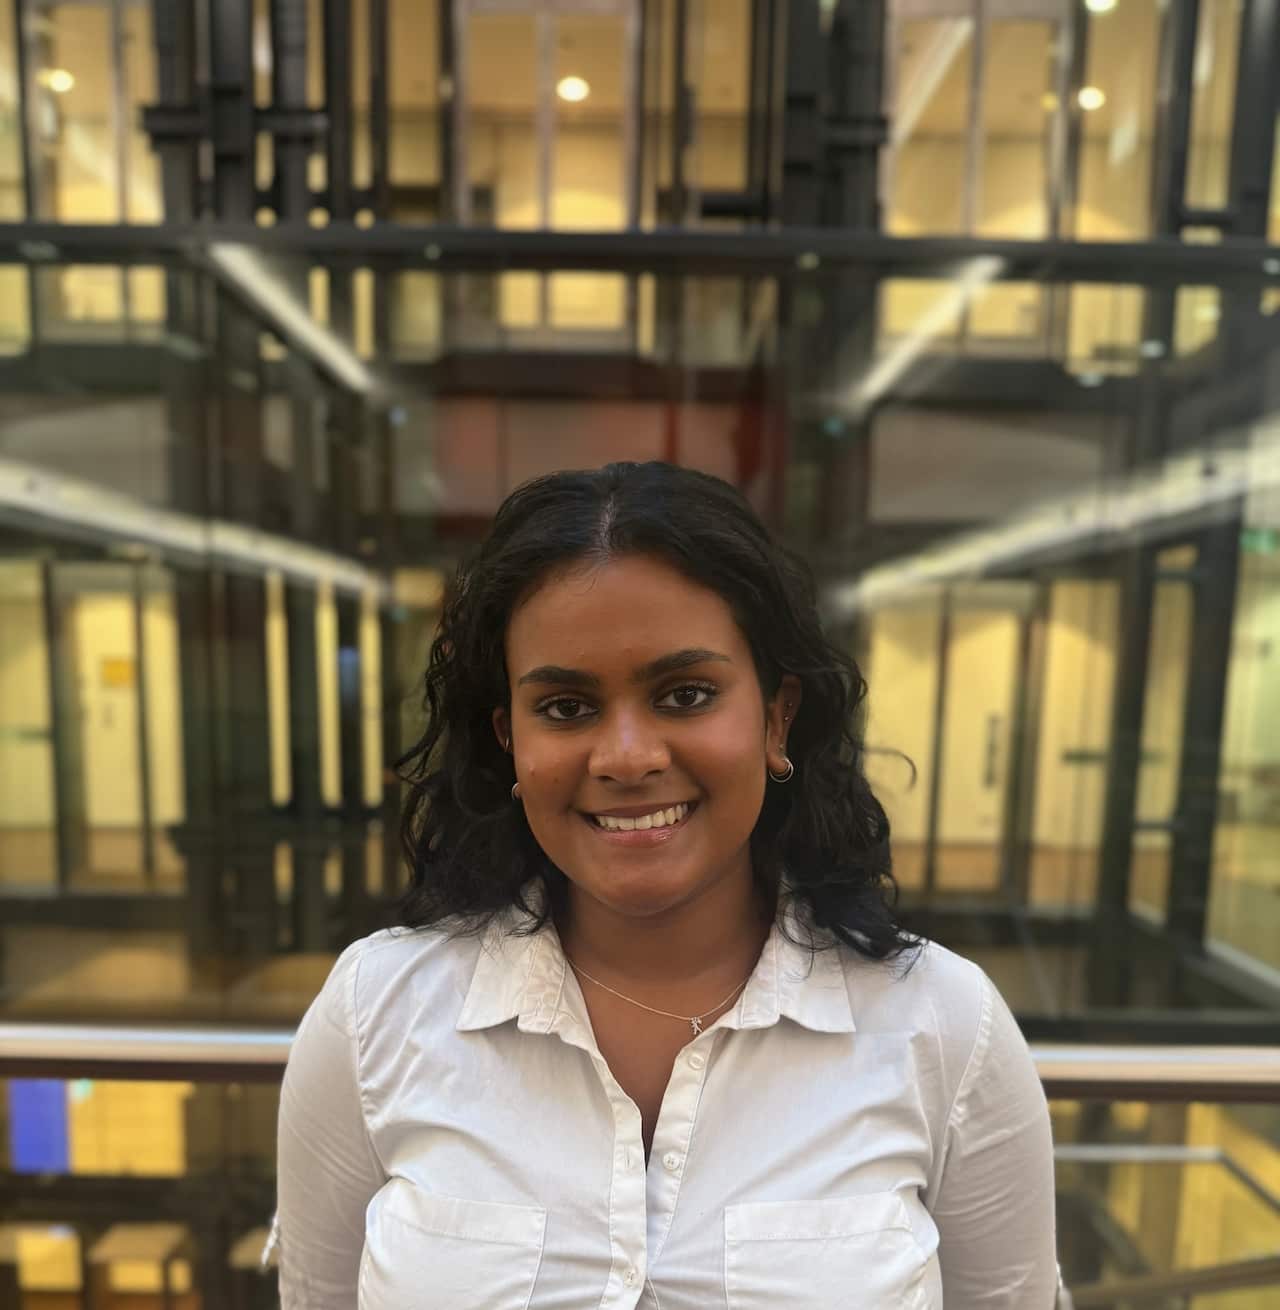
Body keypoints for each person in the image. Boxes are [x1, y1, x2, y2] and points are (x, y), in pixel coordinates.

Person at [273, 461, 1057, 1308]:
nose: (627, 757)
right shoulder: (375, 1016)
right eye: (566, 708)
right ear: (509, 741)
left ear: (777, 716)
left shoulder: (941, 1026)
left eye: (685, 694)